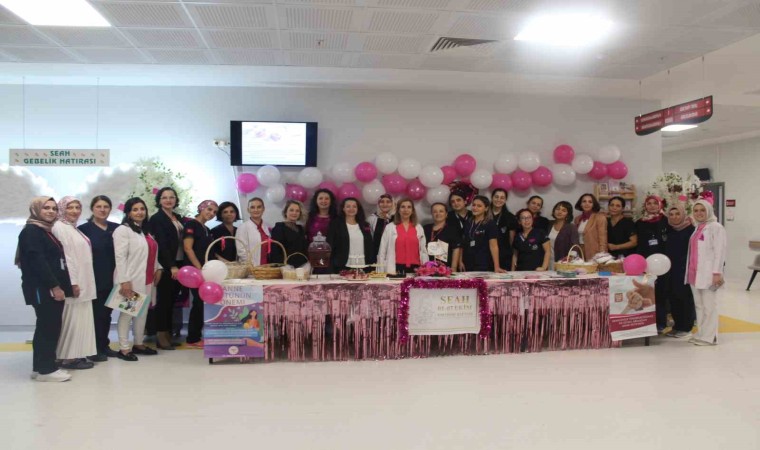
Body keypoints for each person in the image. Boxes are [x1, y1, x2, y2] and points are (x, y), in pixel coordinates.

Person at [16, 197, 73, 382]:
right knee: (49, 327)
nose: (50, 211)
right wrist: (54, 286)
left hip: (46, 287)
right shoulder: (32, 231)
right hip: (43, 288)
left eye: (54, 208)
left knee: (45, 327)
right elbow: (38, 262)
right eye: (46, 208)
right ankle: (47, 370)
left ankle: (40, 367)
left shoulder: (44, 230)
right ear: (36, 210)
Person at [113, 198, 162, 361]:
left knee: (141, 313)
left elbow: (151, 253)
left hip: (147, 279)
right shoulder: (123, 230)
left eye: (142, 209)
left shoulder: (144, 231)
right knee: (128, 313)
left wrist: (158, 268)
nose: (139, 212)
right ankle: (124, 348)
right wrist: (124, 280)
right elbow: (120, 257)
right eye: (135, 209)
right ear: (128, 213)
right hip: (131, 279)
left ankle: (139, 343)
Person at [51, 196, 97, 370]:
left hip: (82, 281)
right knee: (71, 321)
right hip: (74, 284)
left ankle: (73, 355)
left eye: (78, 207)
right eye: (70, 207)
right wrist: (73, 282)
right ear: (62, 208)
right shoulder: (59, 227)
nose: (75, 211)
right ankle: (68, 358)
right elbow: (66, 257)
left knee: (78, 321)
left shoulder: (72, 228)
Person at [77, 195, 120, 360]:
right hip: (94, 279)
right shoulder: (83, 230)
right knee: (96, 315)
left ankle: (104, 345)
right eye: (98, 206)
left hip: (114, 278)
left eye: (106, 207)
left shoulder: (117, 228)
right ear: (92, 209)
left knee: (107, 314)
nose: (102, 210)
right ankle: (93, 349)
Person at [148, 187, 185, 350]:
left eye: (171, 197)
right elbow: (161, 245)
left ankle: (168, 334)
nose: (168, 200)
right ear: (159, 200)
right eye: (164, 197)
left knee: (171, 301)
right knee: (163, 302)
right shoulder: (157, 219)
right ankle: (161, 336)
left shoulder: (177, 217)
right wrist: (171, 266)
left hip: (179, 263)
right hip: (166, 266)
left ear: (176, 199)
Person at [686, 198, 727, 346]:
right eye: (696, 210)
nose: (699, 213)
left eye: (702, 210)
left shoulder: (716, 227)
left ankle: (710, 337)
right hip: (694, 273)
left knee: (709, 306)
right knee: (699, 306)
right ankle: (701, 333)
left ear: (709, 211)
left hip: (709, 273)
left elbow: (720, 252)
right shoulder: (698, 227)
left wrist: (717, 273)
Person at [183, 200, 218, 348]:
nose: (211, 213)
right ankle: (192, 338)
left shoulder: (206, 229)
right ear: (201, 208)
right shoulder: (191, 225)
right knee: (198, 302)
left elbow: (210, 251)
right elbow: (188, 248)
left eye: (214, 212)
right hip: (195, 272)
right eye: (209, 209)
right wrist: (199, 268)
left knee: (202, 302)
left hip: (205, 271)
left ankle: (197, 335)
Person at [635, 195, 670, 332]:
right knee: (647, 292)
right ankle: (646, 322)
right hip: (645, 263)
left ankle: (661, 323)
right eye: (648, 203)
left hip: (663, 263)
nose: (652, 206)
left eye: (655, 203)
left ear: (660, 205)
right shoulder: (640, 222)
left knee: (661, 293)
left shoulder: (667, 220)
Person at [664, 204, 696, 339]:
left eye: (677, 214)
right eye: (671, 214)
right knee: (673, 298)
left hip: (685, 269)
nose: (674, 217)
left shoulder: (691, 230)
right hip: (670, 269)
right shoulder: (669, 230)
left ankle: (686, 327)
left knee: (685, 298)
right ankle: (677, 326)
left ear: (683, 214)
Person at [377, 198, 427, 275]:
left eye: (409, 207)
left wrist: (426, 268)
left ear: (412, 210)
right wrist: (380, 272)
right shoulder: (390, 227)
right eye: (403, 207)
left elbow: (423, 251)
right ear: (398, 210)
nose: (406, 210)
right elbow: (382, 251)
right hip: (395, 268)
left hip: (416, 268)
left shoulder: (418, 227)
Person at [327, 197, 375, 273]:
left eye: (354, 206)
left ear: (358, 209)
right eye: (348, 206)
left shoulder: (365, 225)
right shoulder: (335, 224)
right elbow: (330, 245)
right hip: (342, 265)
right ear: (343, 209)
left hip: (363, 265)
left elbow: (370, 246)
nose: (351, 209)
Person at [460, 196, 505, 272]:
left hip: (484, 263)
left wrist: (496, 266)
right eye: (474, 205)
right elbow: (462, 243)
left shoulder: (490, 224)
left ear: (486, 208)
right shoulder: (468, 222)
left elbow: (494, 246)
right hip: (468, 262)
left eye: (479, 206)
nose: (475, 208)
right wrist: (460, 260)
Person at [423, 202, 462, 270]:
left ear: (446, 214)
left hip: (446, 269)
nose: (438, 214)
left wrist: (454, 268)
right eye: (435, 211)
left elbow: (456, 249)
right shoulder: (425, 228)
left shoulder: (452, 229)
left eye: (441, 211)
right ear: (432, 214)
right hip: (428, 268)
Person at [270, 200, 308, 268]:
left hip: (301, 267)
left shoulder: (301, 229)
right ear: (285, 212)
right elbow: (275, 252)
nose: (294, 213)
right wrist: (285, 267)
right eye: (291, 210)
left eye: (297, 211)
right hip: (285, 268)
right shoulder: (279, 228)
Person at [237, 197, 273, 266]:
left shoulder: (267, 226)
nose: (256, 210)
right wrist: (253, 266)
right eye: (252, 207)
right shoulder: (243, 227)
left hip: (267, 266)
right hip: (252, 267)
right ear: (248, 210)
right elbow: (242, 251)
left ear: (263, 209)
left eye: (259, 207)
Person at [490, 188, 518, 272]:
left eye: (502, 198)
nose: (499, 200)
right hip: (485, 254)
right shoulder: (484, 214)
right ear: (492, 198)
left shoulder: (510, 217)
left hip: (503, 255)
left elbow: (511, 241)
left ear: (505, 200)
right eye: (496, 197)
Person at [573, 193, 608, 260]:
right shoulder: (577, 219)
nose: (587, 204)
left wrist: (602, 255)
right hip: (579, 250)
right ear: (580, 204)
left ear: (593, 204)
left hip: (594, 252)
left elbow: (603, 239)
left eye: (590, 202)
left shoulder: (600, 218)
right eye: (584, 201)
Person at [548, 201, 579, 269]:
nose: (560, 212)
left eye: (564, 210)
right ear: (554, 211)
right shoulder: (548, 224)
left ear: (568, 214)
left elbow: (575, 245)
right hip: (547, 261)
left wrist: (570, 257)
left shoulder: (571, 227)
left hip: (563, 262)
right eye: (558, 209)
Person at [368, 194, 394, 259]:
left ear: (392, 204)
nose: (385, 204)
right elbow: (370, 237)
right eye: (382, 202)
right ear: (378, 204)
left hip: (393, 253)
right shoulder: (372, 218)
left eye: (388, 202)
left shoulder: (397, 219)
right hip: (376, 253)